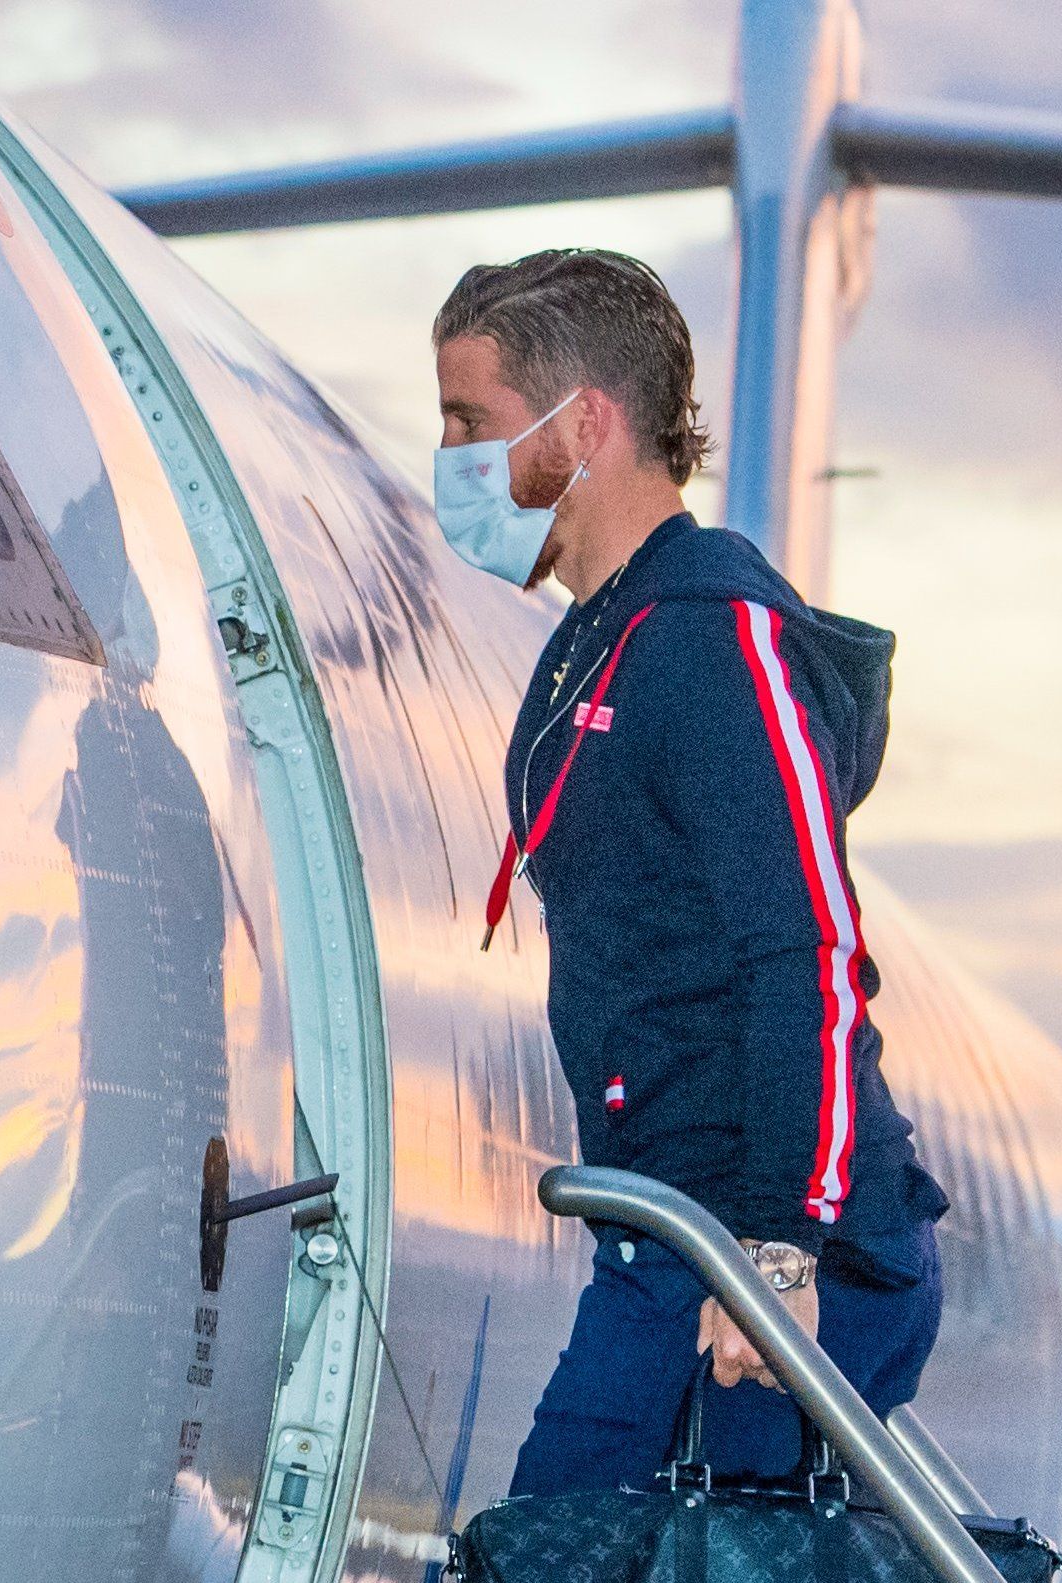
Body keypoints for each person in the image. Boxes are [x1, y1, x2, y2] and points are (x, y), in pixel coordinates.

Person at [429, 248, 949, 1497]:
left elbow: (808, 950)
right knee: (554, 1537)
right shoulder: (599, 643)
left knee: (577, 1536)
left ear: (584, 422)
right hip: (667, 1234)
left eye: (470, 423)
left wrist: (781, 1250)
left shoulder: (715, 638)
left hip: (760, 1245)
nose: (448, 460)